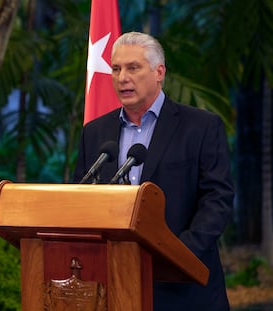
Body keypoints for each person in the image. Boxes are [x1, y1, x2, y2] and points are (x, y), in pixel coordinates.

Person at [73, 31, 235, 311]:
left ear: (159, 72)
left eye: (133, 67)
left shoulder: (201, 127)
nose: (122, 77)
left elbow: (217, 200)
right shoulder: (95, 133)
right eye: (116, 68)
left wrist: (175, 255)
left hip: (184, 288)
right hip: (114, 286)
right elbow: (81, 200)